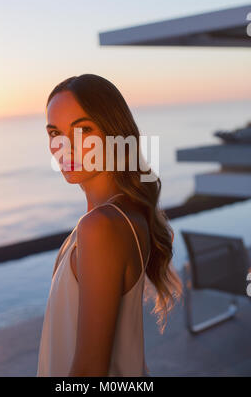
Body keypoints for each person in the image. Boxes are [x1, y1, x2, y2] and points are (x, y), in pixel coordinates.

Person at [36, 74, 182, 377]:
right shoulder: (119, 215)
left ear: (113, 133)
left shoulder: (102, 226)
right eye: (54, 133)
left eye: (83, 129)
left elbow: (90, 372)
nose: (64, 146)